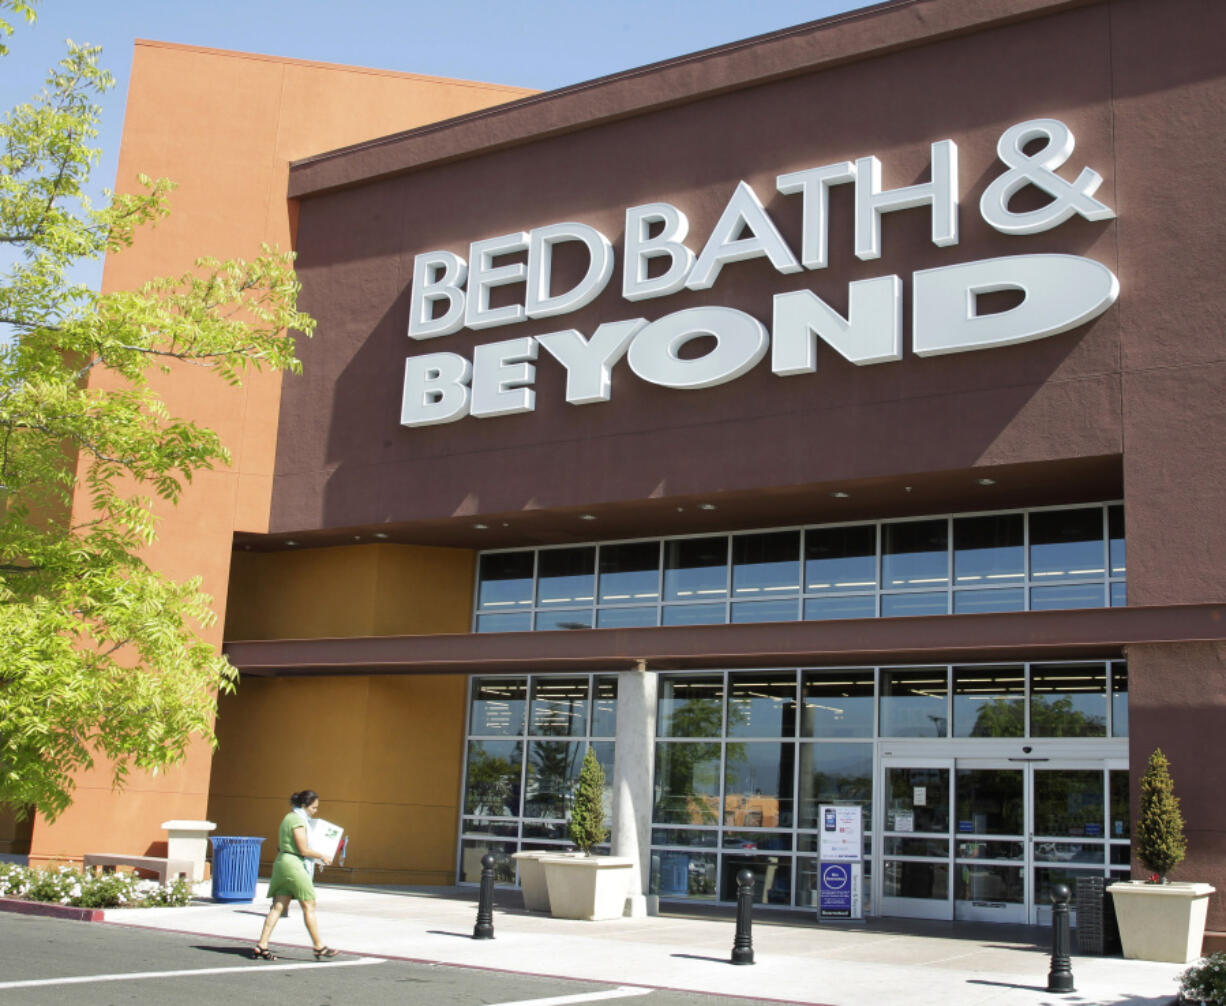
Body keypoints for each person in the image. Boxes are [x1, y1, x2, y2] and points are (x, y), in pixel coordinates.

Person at [252, 789, 338, 960]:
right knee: (309, 905)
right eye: (313, 808)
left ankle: (262, 944)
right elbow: (303, 849)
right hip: (294, 864)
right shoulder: (298, 821)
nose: (315, 811)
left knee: (278, 906)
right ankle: (318, 946)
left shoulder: (288, 818)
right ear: (304, 806)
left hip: (282, 863)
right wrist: (322, 856)